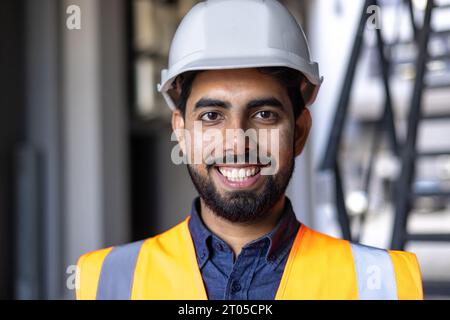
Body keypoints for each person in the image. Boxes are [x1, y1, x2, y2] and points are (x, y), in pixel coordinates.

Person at [76, 0, 423, 300]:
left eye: (264, 115)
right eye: (212, 116)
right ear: (181, 132)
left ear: (299, 131)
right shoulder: (107, 280)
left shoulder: (382, 284)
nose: (238, 141)